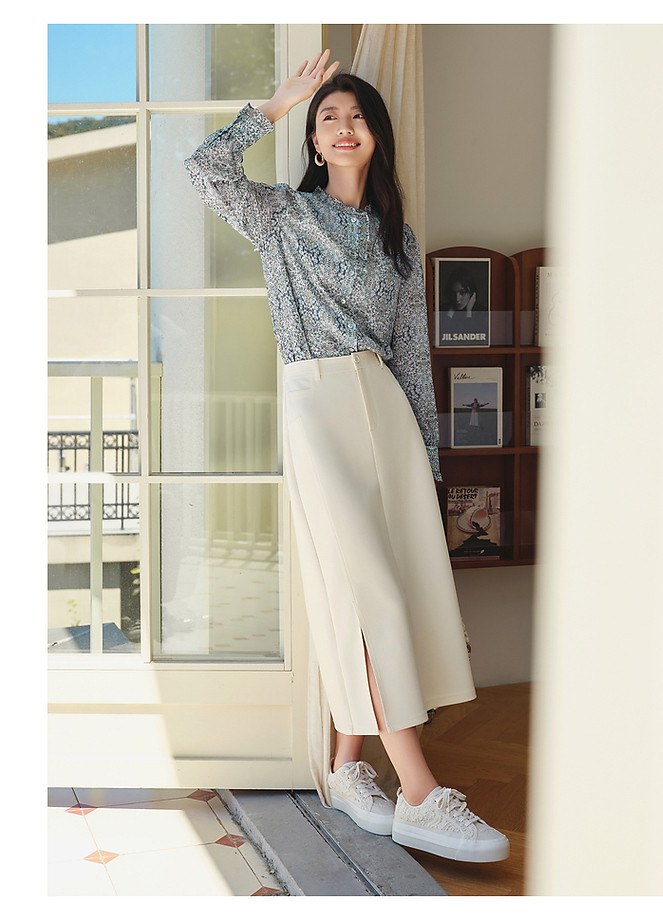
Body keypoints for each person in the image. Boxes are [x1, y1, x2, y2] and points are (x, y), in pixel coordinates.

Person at [185, 50, 509, 864]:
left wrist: (431, 465)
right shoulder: (282, 215)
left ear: (376, 137)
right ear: (312, 141)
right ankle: (421, 794)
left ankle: (345, 767)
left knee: (391, 584)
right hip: (318, 401)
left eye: (355, 115)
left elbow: (413, 358)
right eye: (327, 117)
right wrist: (273, 105)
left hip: (387, 410)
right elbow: (203, 171)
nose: (341, 125)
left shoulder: (398, 240)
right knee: (367, 593)